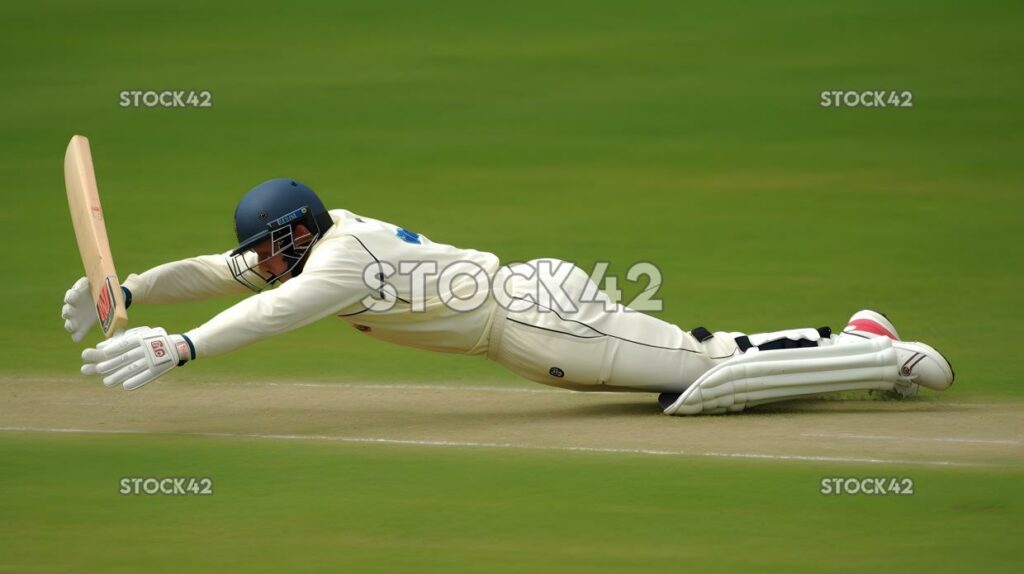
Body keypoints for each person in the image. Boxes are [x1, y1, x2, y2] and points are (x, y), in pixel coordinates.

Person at [62, 179, 954, 415]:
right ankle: (846, 338)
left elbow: (264, 313)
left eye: (268, 246)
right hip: (527, 324)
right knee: (695, 361)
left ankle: (880, 353)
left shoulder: (338, 262)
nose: (259, 261)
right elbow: (219, 276)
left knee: (699, 381)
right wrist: (135, 291)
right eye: (258, 250)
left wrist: (181, 349)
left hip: (533, 317)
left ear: (300, 230)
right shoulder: (308, 252)